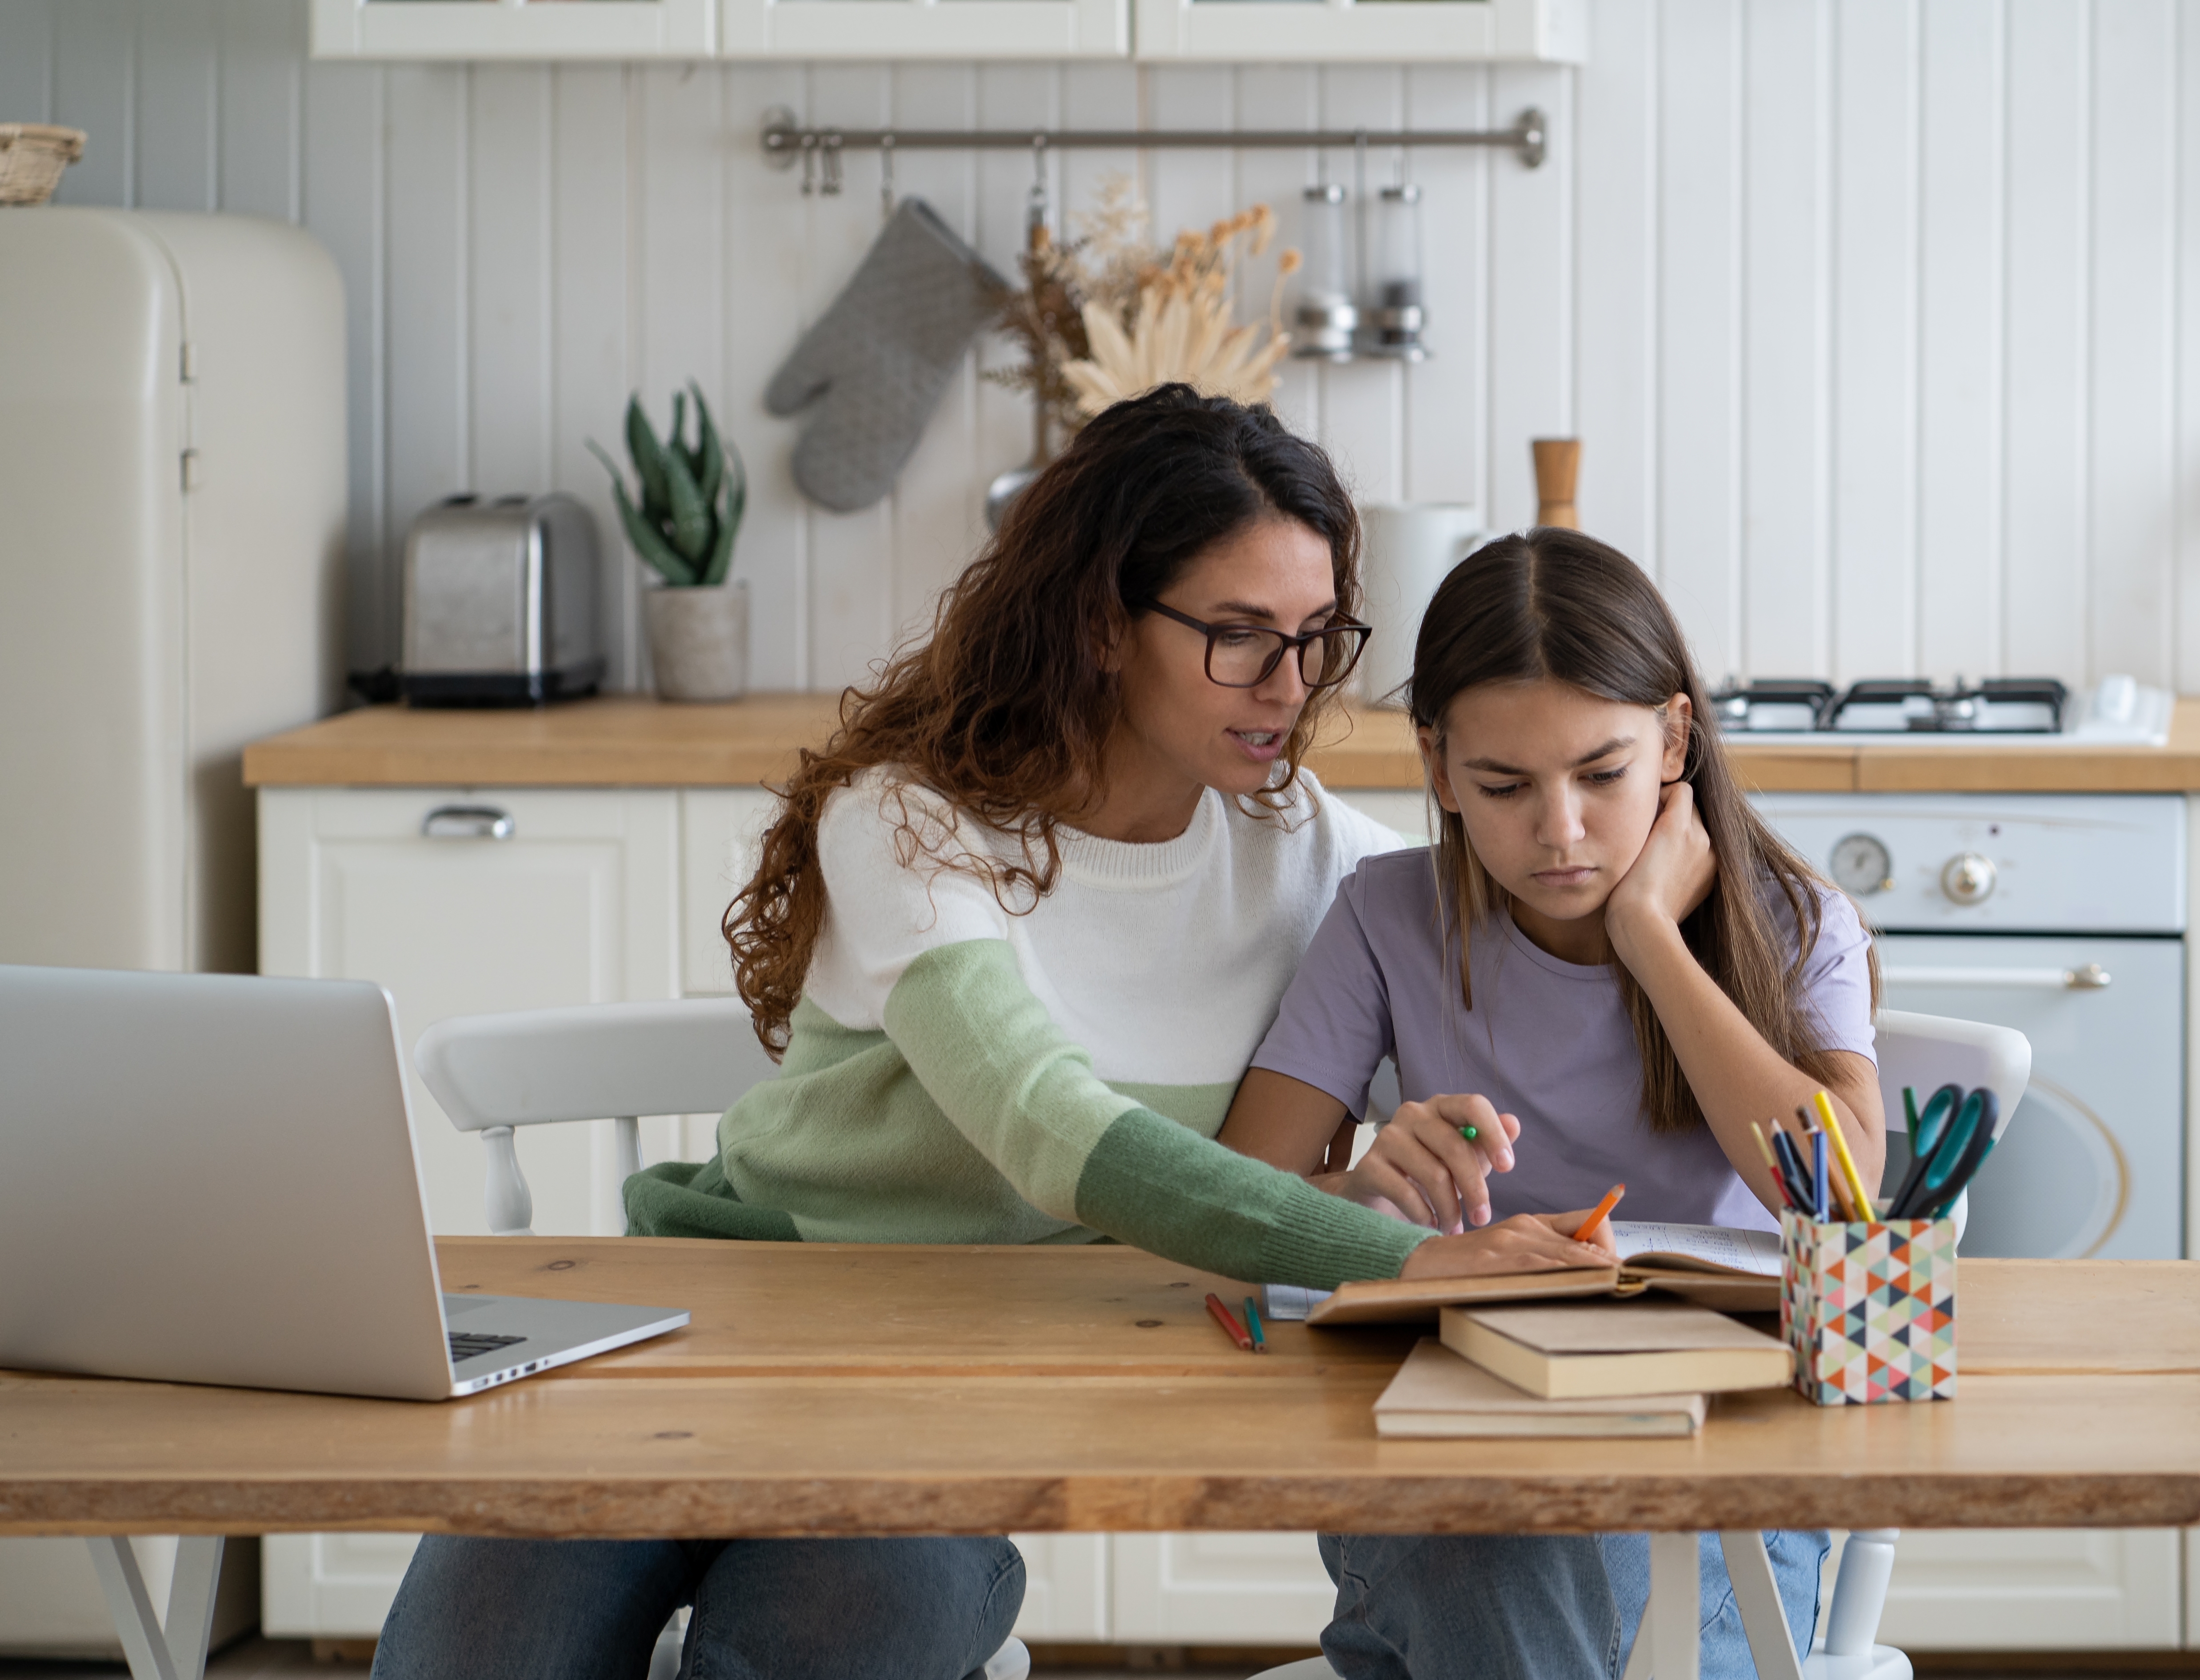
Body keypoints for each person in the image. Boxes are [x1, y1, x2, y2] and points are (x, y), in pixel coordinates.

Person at [369, 388, 1610, 1680]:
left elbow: (1547, 958)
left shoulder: (1317, 864)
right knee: (473, 1651)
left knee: (833, 1632)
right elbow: (1044, 1126)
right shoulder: (909, 822)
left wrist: (1654, 891)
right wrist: (1387, 1253)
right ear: (1100, 625)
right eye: (1238, 639)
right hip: (710, 1337)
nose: (1290, 690)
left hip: (939, 1409)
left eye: (1315, 637)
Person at [1216, 526, 1886, 1680]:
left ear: (1675, 739)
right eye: (1504, 785)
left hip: (1714, 1464)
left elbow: (1845, 1198)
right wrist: (1362, 1192)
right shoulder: (1387, 918)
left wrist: (1650, 941)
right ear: (1437, 768)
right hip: (1457, 1448)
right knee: (1501, 1566)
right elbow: (1230, 1215)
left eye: (1602, 774)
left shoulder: (1793, 923)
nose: (1560, 830)